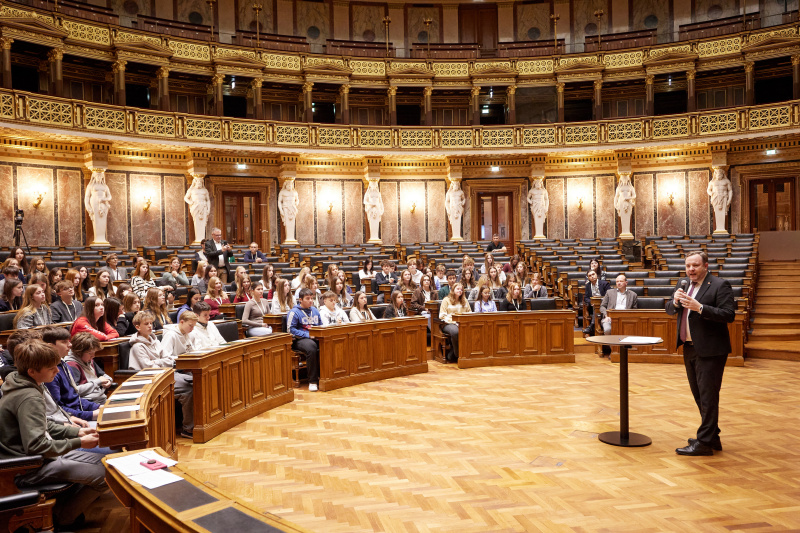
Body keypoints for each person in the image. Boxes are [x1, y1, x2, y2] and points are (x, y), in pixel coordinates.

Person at [0, 339, 107, 529]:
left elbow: (45, 424)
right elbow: (36, 446)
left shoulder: (25, 383)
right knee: (107, 474)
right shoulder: (28, 396)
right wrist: (80, 441)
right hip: (25, 467)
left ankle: (64, 511)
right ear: (32, 371)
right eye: (51, 368)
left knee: (107, 461)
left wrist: (77, 431)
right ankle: (62, 519)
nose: (57, 372)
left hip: (41, 457)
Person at [666, 251, 736, 456]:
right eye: (688, 266)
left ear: (705, 266)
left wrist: (701, 308)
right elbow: (669, 310)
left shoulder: (719, 285)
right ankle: (712, 436)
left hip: (711, 350)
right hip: (689, 347)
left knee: (708, 396)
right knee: (699, 395)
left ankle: (704, 442)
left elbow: (728, 315)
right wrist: (676, 302)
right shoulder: (683, 284)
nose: (691, 270)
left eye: (695, 265)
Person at [128, 311, 194, 439]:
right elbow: (149, 367)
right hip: (151, 380)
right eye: (146, 324)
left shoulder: (155, 340)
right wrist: (162, 362)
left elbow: (169, 359)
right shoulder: (137, 346)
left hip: (165, 374)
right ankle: (188, 429)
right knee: (188, 389)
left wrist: (158, 362)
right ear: (137, 327)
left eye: (151, 323)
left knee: (194, 380)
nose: (150, 326)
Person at [42, 328, 100, 422]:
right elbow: (58, 409)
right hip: (70, 420)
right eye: (64, 342)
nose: (70, 345)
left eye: (69, 341)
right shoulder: (50, 373)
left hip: (79, 414)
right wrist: (91, 415)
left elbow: (74, 398)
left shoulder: (64, 365)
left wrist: (97, 407)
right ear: (50, 346)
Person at [64, 332, 112, 404]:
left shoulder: (89, 360)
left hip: (100, 398)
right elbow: (75, 390)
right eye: (90, 353)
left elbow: (103, 375)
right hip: (88, 403)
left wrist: (108, 380)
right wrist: (98, 381)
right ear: (79, 352)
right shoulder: (72, 365)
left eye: (94, 352)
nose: (93, 356)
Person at [288, 288, 321, 391]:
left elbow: (320, 325)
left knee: (328, 344)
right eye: (307, 298)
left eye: (311, 298)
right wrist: (308, 335)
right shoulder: (294, 312)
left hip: (315, 337)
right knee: (312, 347)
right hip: (299, 340)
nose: (310, 300)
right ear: (300, 300)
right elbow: (290, 329)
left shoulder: (315, 310)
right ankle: (313, 381)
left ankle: (326, 376)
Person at [599, 274, 638, 354]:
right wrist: (606, 315)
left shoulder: (633, 295)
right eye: (617, 281)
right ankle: (614, 351)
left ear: (626, 283)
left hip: (626, 319)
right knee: (607, 329)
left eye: (621, 281)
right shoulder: (609, 293)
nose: (619, 283)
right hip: (610, 318)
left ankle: (627, 352)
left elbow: (634, 310)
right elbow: (602, 306)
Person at [439, 283, 471, 362]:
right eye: (458, 289)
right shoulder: (446, 300)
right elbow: (442, 315)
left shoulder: (465, 300)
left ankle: (453, 353)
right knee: (455, 331)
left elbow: (470, 312)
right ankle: (458, 354)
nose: (460, 291)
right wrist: (454, 322)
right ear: (453, 290)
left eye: (461, 289)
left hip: (463, 323)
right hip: (448, 323)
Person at [583, 270, 610, 335]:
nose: (592, 276)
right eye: (590, 275)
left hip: (605, 304)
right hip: (593, 305)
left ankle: (591, 326)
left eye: (593, 274)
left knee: (598, 306)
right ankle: (593, 325)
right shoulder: (588, 286)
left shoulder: (604, 283)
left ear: (596, 275)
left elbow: (610, 295)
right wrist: (590, 302)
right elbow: (586, 298)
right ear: (588, 278)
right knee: (596, 306)